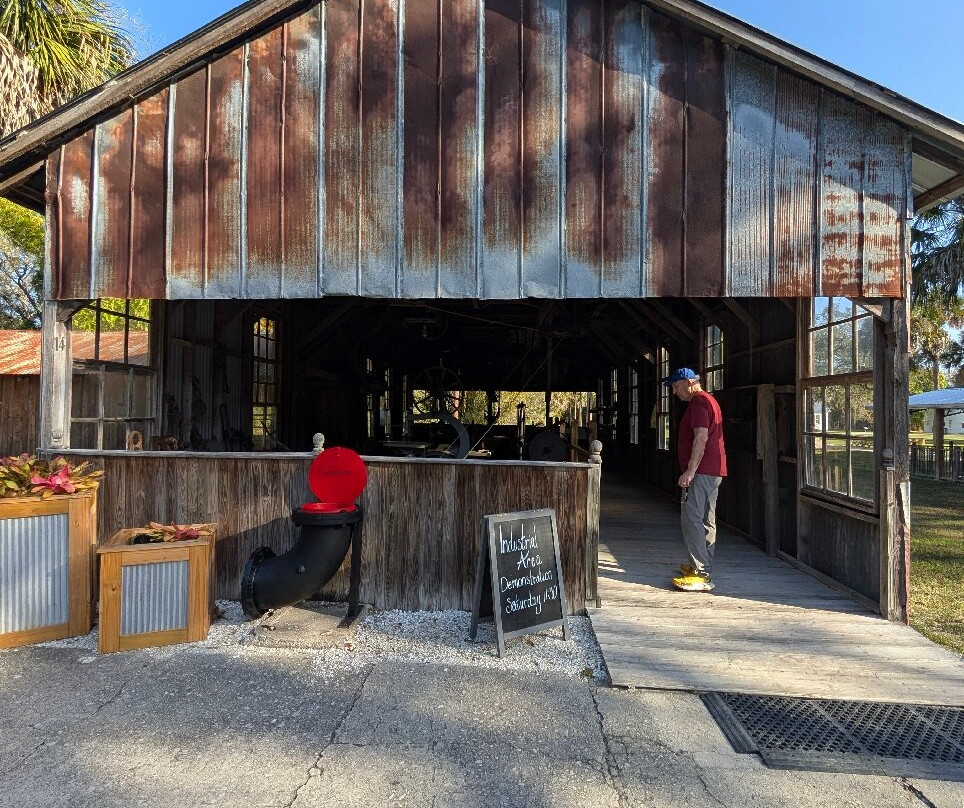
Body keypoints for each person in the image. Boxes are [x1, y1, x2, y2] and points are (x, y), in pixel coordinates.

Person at [662, 367, 727, 592]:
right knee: (706, 518)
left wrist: (690, 471)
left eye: (676, 386)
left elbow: (700, 437)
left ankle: (700, 572)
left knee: (692, 517)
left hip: (701, 471)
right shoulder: (709, 400)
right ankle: (703, 567)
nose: (674, 391)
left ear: (689, 382)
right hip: (713, 469)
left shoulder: (699, 403)